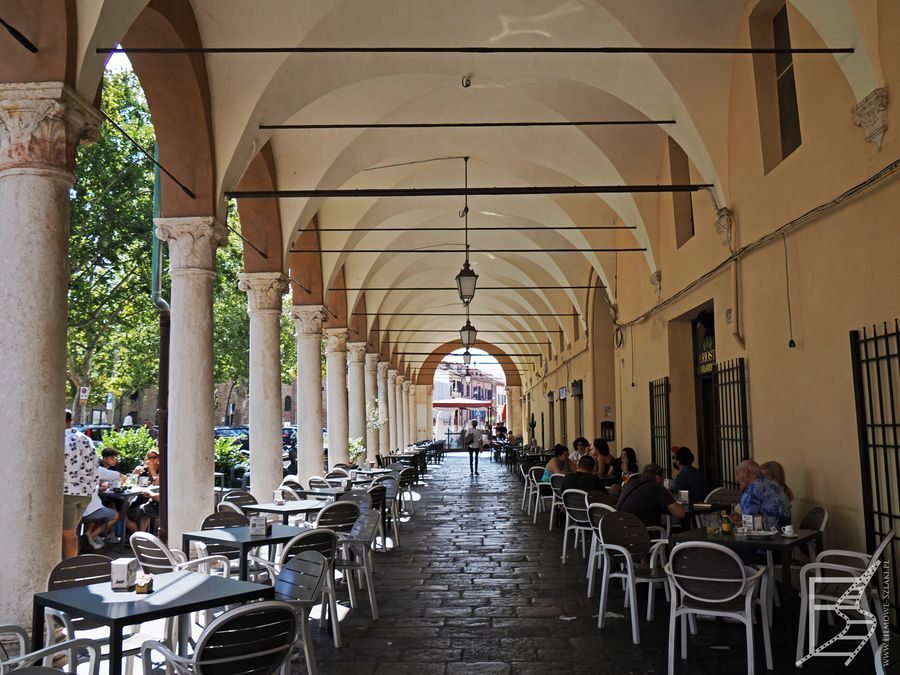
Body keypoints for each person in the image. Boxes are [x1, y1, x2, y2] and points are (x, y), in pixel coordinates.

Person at [63, 409, 99, 559]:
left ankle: (69, 574)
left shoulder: (60, 439)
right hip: (85, 493)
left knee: (68, 535)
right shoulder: (85, 439)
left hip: (67, 491)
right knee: (70, 533)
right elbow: (96, 465)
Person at [616, 463, 686, 527]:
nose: (663, 483)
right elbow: (680, 513)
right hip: (644, 534)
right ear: (658, 478)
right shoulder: (655, 486)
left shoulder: (630, 483)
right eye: (663, 480)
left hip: (624, 531)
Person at [731, 459, 791, 528]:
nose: (737, 480)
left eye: (738, 474)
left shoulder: (753, 488)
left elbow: (748, 523)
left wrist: (736, 522)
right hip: (785, 531)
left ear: (747, 473)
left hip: (770, 534)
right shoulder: (773, 484)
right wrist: (742, 518)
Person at [127, 450, 161, 532]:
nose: (151, 460)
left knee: (148, 513)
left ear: (158, 459)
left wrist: (151, 468)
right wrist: (135, 474)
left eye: (154, 457)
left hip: (154, 498)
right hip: (141, 497)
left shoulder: (161, 469)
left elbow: (157, 482)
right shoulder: (143, 470)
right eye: (149, 458)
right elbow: (129, 482)